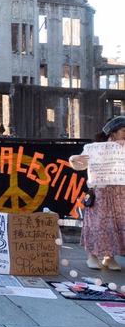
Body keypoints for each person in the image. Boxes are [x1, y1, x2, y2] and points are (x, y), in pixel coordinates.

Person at [69, 116, 125, 271]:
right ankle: (92, 256)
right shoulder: (96, 148)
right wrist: (73, 159)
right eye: (123, 131)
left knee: (117, 225)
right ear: (112, 133)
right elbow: (79, 165)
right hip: (101, 191)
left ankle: (110, 257)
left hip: (120, 192)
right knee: (98, 224)